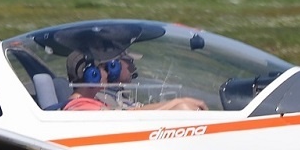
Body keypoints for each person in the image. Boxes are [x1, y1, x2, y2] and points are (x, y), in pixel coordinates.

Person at [62, 51, 208, 111]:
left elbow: (132, 112)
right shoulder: (80, 108)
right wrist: (176, 104)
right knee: (182, 108)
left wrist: (177, 102)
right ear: (91, 75)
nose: (106, 72)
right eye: (101, 68)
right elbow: (126, 119)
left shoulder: (91, 102)